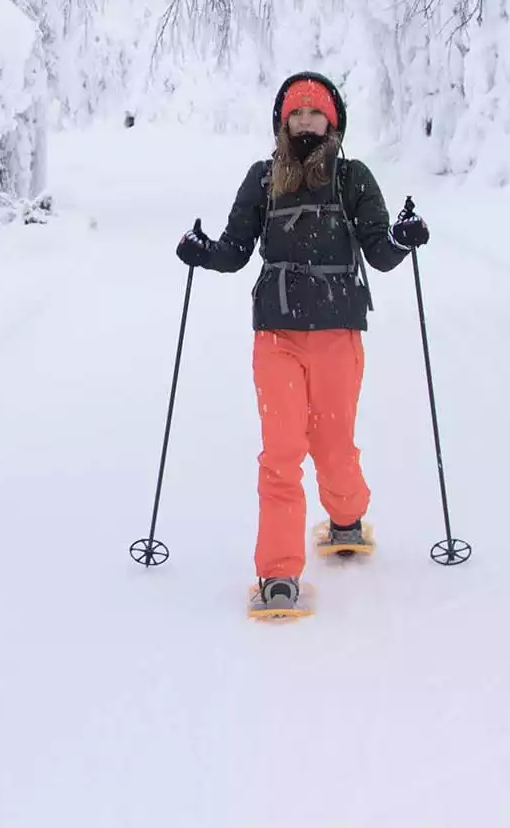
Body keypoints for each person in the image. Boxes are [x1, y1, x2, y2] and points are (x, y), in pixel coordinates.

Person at [174, 72, 429, 617]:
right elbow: (236, 249)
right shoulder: (263, 178)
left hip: (339, 331)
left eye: (316, 113)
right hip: (277, 334)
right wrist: (203, 251)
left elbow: (379, 253)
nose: (306, 121)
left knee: (333, 446)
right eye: (297, 114)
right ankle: (279, 573)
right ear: (282, 122)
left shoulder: (353, 177)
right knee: (282, 452)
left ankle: (346, 518)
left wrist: (402, 240)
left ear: (332, 121)